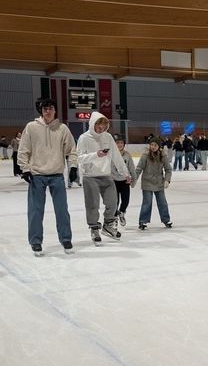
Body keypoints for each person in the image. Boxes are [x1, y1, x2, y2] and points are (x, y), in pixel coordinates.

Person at [18, 98, 78, 255]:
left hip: (57, 175)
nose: (48, 111)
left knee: (62, 210)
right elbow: (24, 149)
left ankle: (66, 239)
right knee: (35, 211)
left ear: (55, 110)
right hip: (37, 175)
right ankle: (36, 241)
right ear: (41, 111)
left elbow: (71, 149)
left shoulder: (62, 128)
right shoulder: (31, 127)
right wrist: (25, 169)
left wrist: (73, 167)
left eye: (51, 108)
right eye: (45, 109)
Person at [76, 112, 131, 244]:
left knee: (113, 202)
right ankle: (94, 228)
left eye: (103, 128)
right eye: (98, 127)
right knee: (92, 205)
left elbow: (116, 156)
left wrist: (125, 173)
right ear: (92, 124)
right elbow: (79, 158)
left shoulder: (108, 137)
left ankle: (108, 225)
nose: (100, 130)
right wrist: (96, 155)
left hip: (106, 175)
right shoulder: (84, 138)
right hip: (90, 176)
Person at [135, 137, 173, 229]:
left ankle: (166, 219)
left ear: (159, 146)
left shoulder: (162, 156)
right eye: (151, 144)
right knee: (147, 202)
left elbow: (168, 169)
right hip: (147, 182)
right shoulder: (145, 155)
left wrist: (167, 180)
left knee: (162, 202)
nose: (153, 147)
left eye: (155, 145)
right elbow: (139, 168)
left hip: (159, 182)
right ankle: (143, 221)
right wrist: (134, 179)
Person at [111, 134, 135, 227]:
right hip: (114, 181)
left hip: (125, 181)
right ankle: (115, 217)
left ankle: (121, 213)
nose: (120, 144)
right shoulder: (111, 155)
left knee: (125, 201)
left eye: (121, 143)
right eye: (117, 143)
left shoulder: (127, 154)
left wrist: (133, 179)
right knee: (115, 201)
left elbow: (131, 168)